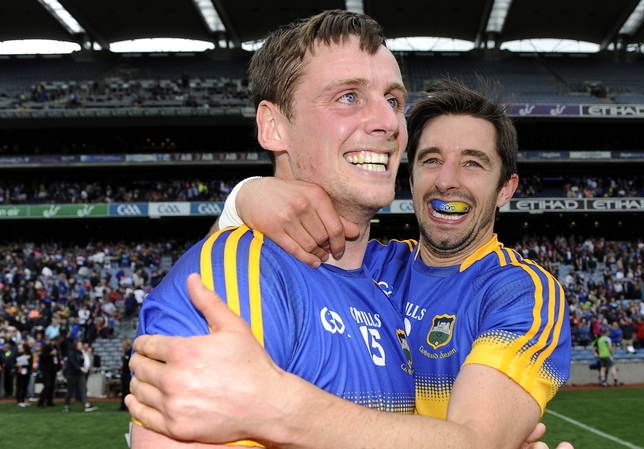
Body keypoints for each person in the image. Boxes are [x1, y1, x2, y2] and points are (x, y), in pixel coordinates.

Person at [127, 65, 571, 449]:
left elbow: (474, 442)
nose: (447, 181)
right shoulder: (366, 263)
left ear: (506, 189)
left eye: (473, 163)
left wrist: (275, 405)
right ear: (410, 178)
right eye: (431, 160)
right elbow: (220, 267)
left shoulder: (520, 293)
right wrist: (242, 199)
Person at [130, 9, 415, 448]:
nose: (389, 122)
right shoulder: (236, 274)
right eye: (348, 97)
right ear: (274, 126)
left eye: (394, 101)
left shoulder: (404, 274)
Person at [62, 341, 98, 413]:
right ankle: (66, 405)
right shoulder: (72, 353)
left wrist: (82, 368)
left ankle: (86, 404)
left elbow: (81, 361)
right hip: (72, 374)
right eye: (79, 345)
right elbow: (73, 363)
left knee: (83, 388)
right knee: (70, 390)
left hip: (79, 374)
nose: (81, 346)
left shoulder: (80, 353)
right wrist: (80, 368)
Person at [37, 335, 62, 408]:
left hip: (53, 369)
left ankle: (49, 401)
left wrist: (59, 367)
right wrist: (50, 354)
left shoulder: (56, 348)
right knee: (47, 385)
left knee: (52, 386)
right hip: (46, 369)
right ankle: (41, 402)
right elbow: (42, 357)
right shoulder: (47, 347)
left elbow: (57, 358)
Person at [14, 343, 33, 407]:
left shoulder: (29, 355)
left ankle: (23, 399)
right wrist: (17, 365)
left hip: (26, 372)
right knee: (19, 386)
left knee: (25, 386)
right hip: (19, 372)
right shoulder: (17, 354)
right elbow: (14, 362)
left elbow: (30, 364)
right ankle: (19, 400)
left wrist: (23, 364)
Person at [119, 338, 132, 411]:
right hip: (124, 374)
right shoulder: (125, 353)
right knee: (123, 390)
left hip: (128, 374)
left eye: (123, 344)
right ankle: (123, 406)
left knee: (128, 390)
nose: (122, 345)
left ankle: (128, 406)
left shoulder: (130, 352)